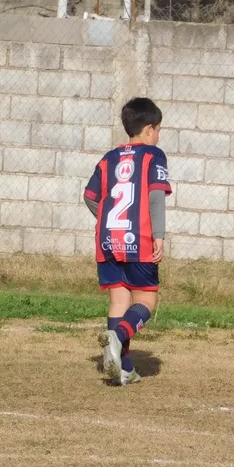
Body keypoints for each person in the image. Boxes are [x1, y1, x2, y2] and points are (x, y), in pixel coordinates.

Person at [84, 97, 171, 385]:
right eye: (158, 129)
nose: (158, 135)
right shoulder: (153, 155)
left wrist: (108, 218)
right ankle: (118, 336)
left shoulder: (108, 158)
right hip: (140, 238)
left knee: (119, 300)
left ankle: (123, 368)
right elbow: (156, 196)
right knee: (146, 299)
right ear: (148, 129)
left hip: (108, 238)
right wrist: (158, 236)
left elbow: (90, 197)